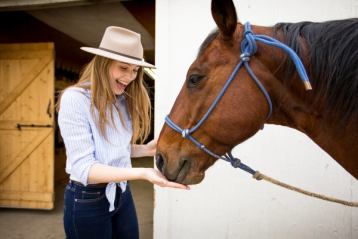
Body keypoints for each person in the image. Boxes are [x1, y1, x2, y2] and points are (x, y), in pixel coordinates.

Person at [57, 26, 189, 239]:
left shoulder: (121, 101)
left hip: (121, 193)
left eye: (135, 70)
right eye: (123, 68)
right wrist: (143, 173)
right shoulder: (75, 99)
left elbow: (113, 150)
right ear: (103, 64)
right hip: (87, 199)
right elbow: (85, 168)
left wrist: (146, 150)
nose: (130, 77)